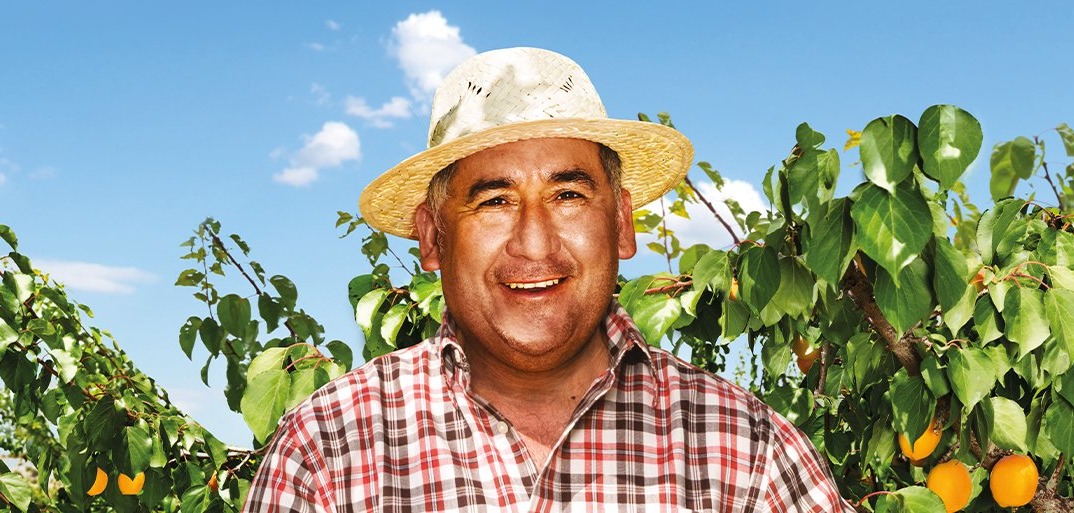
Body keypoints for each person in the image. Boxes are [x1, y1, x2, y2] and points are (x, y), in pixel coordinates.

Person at [243, 47, 855, 512]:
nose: (534, 243)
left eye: (568, 195)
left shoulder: (747, 453)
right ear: (432, 237)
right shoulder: (328, 452)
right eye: (494, 201)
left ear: (621, 225)